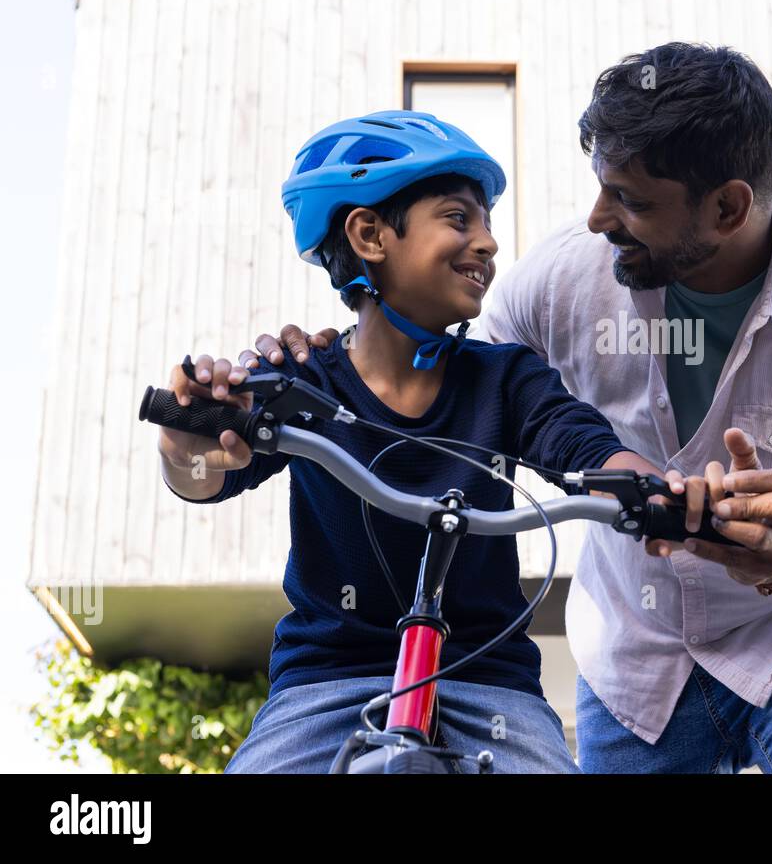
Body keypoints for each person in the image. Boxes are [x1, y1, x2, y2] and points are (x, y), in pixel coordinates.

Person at [249, 43, 772, 773]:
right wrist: (343, 351)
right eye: (601, 187)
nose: (597, 219)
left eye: (631, 200)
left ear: (727, 207)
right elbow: (453, 385)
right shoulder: (557, 285)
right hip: (635, 658)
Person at [157, 110, 672, 773]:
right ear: (370, 233)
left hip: (488, 683)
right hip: (328, 683)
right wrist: (186, 439)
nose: (487, 243)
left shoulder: (505, 378)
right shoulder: (300, 381)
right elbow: (206, 471)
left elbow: (581, 443)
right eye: (460, 219)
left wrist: (658, 489)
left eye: (487, 225)